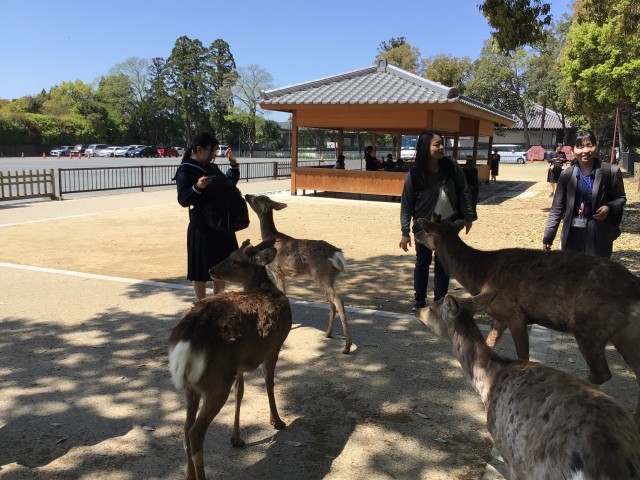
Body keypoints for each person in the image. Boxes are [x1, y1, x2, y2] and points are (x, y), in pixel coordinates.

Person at [399, 130, 475, 311]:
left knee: (443, 264)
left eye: (442, 143)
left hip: (447, 226)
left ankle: (440, 301)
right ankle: (419, 299)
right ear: (426, 147)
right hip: (424, 227)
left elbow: (464, 190)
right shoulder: (415, 174)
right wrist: (405, 232)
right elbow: (406, 204)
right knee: (422, 262)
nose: (441, 147)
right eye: (437, 144)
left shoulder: (451, 166)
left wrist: (468, 216)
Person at [174, 132, 241, 301]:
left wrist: (233, 166)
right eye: (212, 150)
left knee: (221, 266)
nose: (214, 155)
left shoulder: (211, 167)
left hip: (220, 223)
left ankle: (218, 301)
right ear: (199, 149)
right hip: (201, 225)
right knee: (200, 269)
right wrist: (197, 187)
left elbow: (228, 184)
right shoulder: (186, 170)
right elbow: (183, 199)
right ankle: (201, 304)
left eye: (215, 151)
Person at [542, 131, 626, 258]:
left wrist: (609, 208)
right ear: (572, 150)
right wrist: (548, 236)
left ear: (596, 146)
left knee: (596, 269)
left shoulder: (610, 172)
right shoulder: (566, 175)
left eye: (589, 145)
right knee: (573, 269)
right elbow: (557, 208)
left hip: (599, 233)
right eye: (580, 147)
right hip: (572, 233)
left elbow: (621, 198)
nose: (585, 151)